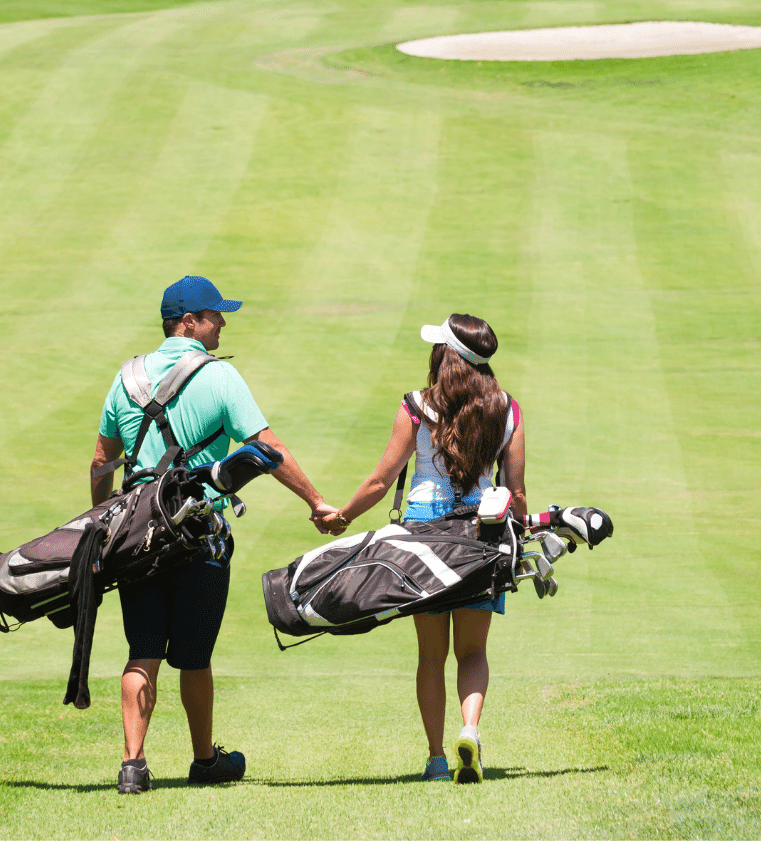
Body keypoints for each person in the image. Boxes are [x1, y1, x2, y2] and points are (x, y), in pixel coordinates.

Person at [90, 275, 338, 795]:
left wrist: (106, 523)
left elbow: (100, 463)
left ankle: (133, 765)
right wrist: (316, 501)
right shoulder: (219, 377)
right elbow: (267, 448)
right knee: (195, 656)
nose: (222, 322)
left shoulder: (125, 377)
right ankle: (205, 761)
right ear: (188, 323)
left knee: (143, 649)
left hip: (135, 538)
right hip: (199, 533)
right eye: (214, 315)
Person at [330, 314, 525, 785]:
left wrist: (342, 517)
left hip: (423, 535)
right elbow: (515, 493)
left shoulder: (416, 406)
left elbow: (380, 481)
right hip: (484, 534)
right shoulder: (508, 409)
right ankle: (470, 730)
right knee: (473, 652)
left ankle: (437, 759)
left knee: (431, 655)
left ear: (448, 356)